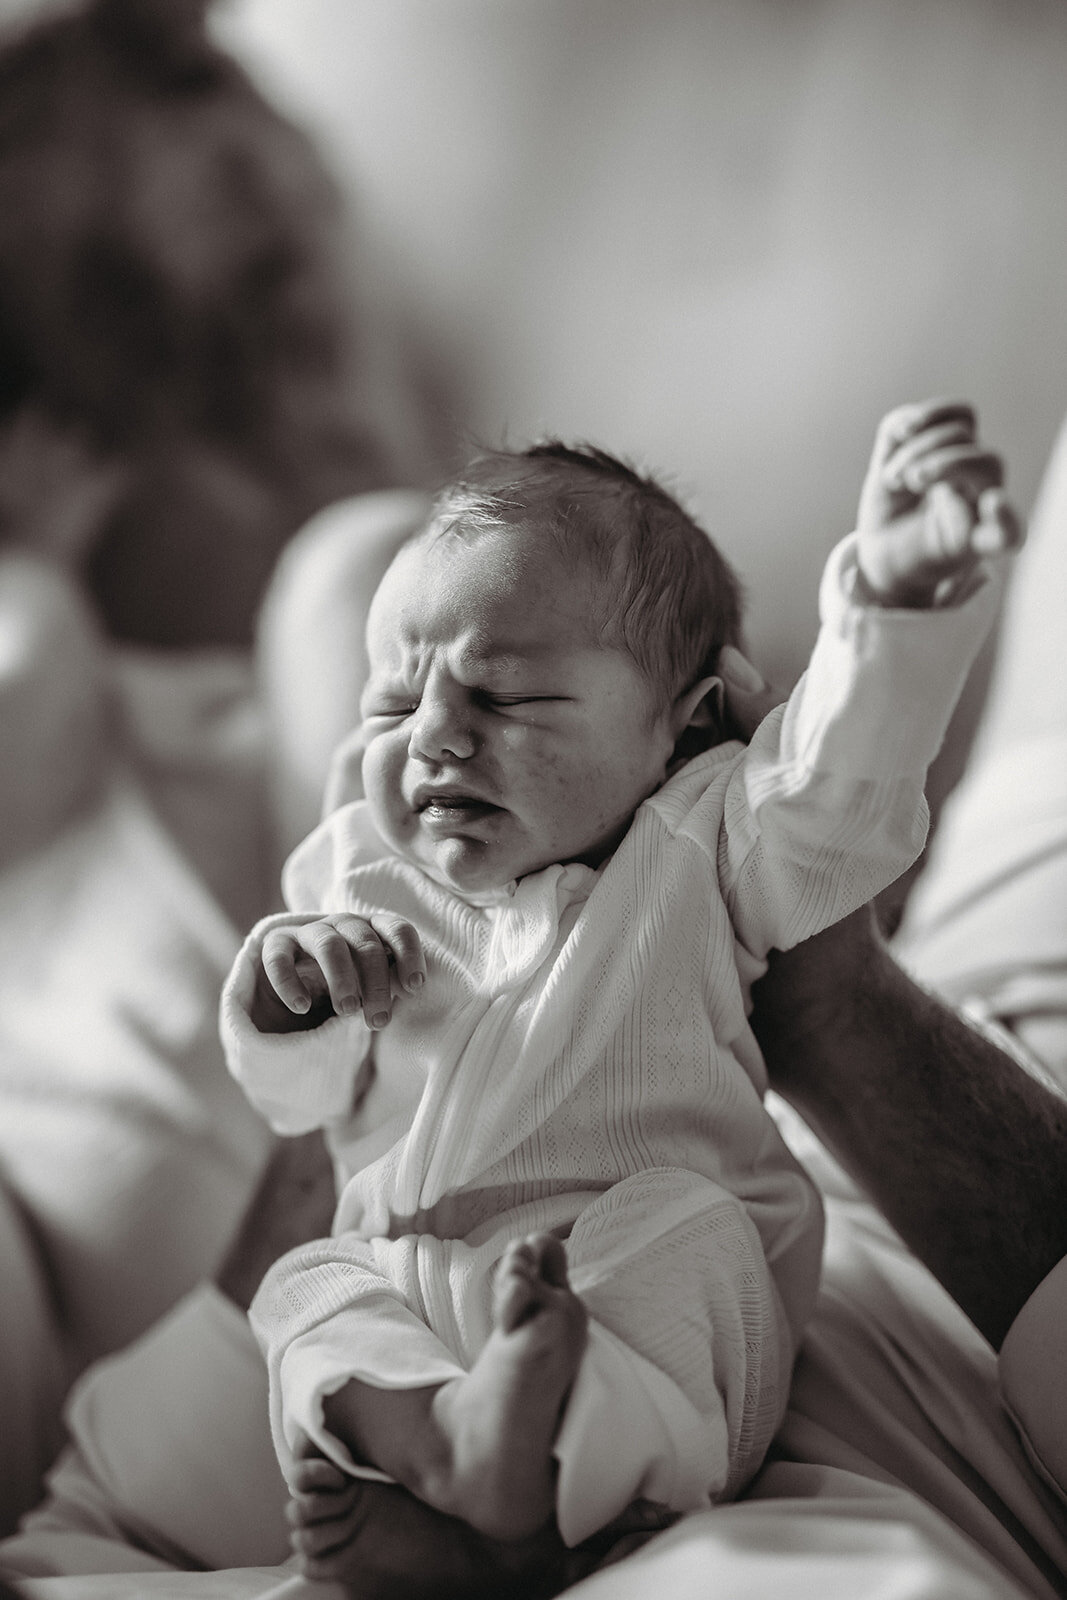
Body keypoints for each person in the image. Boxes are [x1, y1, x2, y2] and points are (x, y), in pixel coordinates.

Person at [218, 399, 1015, 1559]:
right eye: (393, 700)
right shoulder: (356, 867)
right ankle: (446, 1455)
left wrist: (889, 603)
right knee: (306, 1289)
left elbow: (836, 795)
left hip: (634, 1302)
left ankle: (529, 1476)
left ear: (681, 732)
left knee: (684, 1236)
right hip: (421, 1272)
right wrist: (288, 997)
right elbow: (294, 1100)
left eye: (504, 695)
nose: (433, 735)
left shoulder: (695, 842)